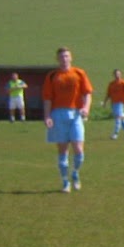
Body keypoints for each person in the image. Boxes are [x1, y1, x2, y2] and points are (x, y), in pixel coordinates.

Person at [42, 47, 94, 192]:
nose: (64, 59)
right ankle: (65, 182)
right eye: (61, 57)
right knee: (63, 150)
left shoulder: (79, 73)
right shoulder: (52, 76)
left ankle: (75, 173)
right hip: (58, 114)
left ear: (71, 58)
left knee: (78, 148)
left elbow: (88, 93)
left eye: (66, 56)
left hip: (76, 114)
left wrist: (86, 108)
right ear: (57, 59)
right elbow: (47, 98)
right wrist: (47, 116)